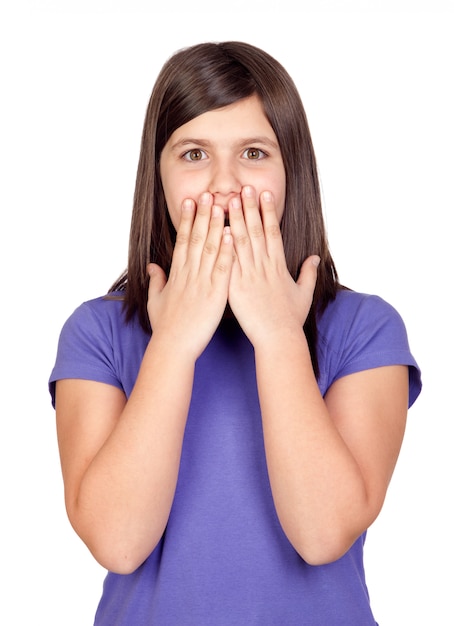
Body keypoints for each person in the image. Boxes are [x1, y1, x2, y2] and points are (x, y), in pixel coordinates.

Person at [49, 41, 422, 625]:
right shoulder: (98, 331)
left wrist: (277, 335)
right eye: (194, 153)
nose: (225, 183)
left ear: (291, 169)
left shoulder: (365, 329)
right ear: (159, 177)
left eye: (253, 152)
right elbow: (118, 542)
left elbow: (323, 533)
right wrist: (173, 342)